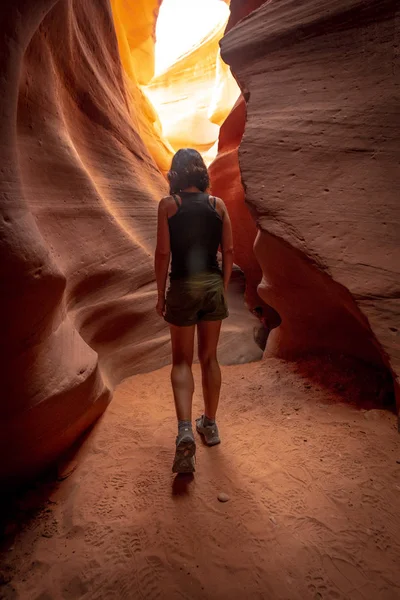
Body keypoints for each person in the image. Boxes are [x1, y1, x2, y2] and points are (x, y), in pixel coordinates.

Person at [154, 148, 234, 474]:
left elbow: (162, 254)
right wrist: (223, 286)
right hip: (212, 286)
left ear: (176, 174)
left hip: (183, 287)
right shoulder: (219, 206)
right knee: (210, 358)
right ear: (201, 173)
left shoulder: (168, 206)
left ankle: (185, 429)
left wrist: (160, 295)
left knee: (182, 361)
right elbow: (228, 250)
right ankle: (210, 426)